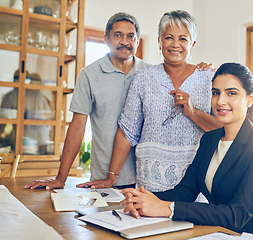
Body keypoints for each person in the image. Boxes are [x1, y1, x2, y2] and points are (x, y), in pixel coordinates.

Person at [24, 12, 211, 190]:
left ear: (138, 40)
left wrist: (203, 70)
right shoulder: (90, 75)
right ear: (106, 39)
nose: (125, 41)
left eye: (131, 36)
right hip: (105, 175)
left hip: (144, 178)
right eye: (118, 35)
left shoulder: (150, 73)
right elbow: (78, 126)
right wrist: (61, 178)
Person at [120, 63, 253, 240]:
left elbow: (237, 214)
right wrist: (143, 198)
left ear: (250, 98)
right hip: (218, 232)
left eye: (231, 93)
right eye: (216, 93)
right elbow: (184, 192)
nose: (220, 101)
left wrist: (167, 208)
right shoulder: (209, 139)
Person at [78, 10, 222, 191]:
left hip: (196, 185)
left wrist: (192, 112)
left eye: (183, 39)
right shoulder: (143, 78)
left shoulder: (210, 79)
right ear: (159, 42)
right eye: (169, 37)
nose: (175, 44)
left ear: (192, 44)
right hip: (150, 186)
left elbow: (223, 129)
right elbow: (127, 133)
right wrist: (111, 177)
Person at [0, 70, 52, 154]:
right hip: (42, 142)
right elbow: (49, 119)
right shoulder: (40, 96)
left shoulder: (10, 96)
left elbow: (2, 123)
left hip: (21, 144)